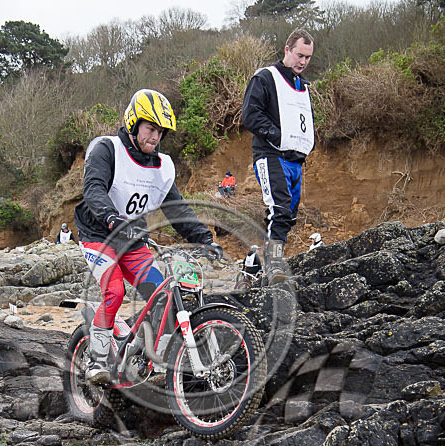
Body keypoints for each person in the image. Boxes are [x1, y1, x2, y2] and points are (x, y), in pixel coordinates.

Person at [74, 89, 222, 385]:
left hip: (132, 240)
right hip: (98, 234)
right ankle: (95, 359)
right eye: (150, 128)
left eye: (160, 132)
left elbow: (177, 209)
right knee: (114, 292)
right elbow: (93, 189)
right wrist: (110, 216)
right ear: (133, 123)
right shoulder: (107, 150)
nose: (155, 137)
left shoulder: (162, 167)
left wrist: (205, 239)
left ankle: (146, 357)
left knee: (161, 296)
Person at [242, 28, 315, 284]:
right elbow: (250, 115)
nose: (303, 62)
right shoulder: (265, 78)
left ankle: (253, 265)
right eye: (299, 55)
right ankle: (273, 263)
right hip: (270, 154)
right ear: (287, 50)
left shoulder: (303, 86)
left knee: (288, 215)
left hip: (296, 159)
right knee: (280, 209)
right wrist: (277, 135)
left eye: (308, 57)